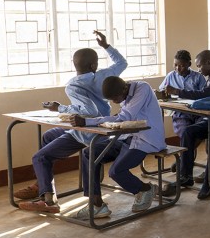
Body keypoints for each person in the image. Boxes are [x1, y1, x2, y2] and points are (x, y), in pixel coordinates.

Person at [14, 30, 127, 206]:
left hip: (87, 131)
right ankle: (43, 185)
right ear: (93, 65)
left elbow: (89, 111)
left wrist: (59, 108)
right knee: (48, 136)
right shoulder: (104, 75)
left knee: (39, 157)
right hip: (102, 126)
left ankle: (48, 200)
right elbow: (122, 62)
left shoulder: (73, 85)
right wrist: (106, 45)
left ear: (75, 65)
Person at [70, 76, 166, 219]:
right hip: (126, 136)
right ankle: (96, 203)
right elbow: (122, 117)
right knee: (89, 153)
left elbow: (124, 117)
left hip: (145, 139)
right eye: (111, 99)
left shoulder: (142, 88)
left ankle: (146, 189)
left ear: (124, 88)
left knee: (116, 171)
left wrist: (88, 121)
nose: (114, 102)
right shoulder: (126, 93)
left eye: (115, 97)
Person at [162, 50, 210, 199]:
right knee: (189, 132)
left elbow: (204, 94)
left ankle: (208, 184)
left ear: (209, 63)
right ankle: (186, 175)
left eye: (200, 66)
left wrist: (178, 91)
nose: (199, 70)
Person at [158, 49, 206, 137]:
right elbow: (161, 91)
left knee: (203, 129)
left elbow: (204, 95)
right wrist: (164, 92)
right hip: (180, 114)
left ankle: (188, 148)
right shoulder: (171, 76)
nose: (178, 68)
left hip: (198, 112)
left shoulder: (198, 77)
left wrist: (176, 91)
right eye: (175, 65)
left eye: (182, 66)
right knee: (184, 132)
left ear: (189, 64)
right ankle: (188, 148)